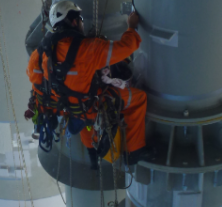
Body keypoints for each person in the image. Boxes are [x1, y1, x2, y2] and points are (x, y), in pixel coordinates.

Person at [27, 1, 148, 167]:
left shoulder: (43, 52)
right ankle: (134, 152)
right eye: (80, 19)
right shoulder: (89, 49)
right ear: (75, 21)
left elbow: (35, 78)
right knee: (138, 99)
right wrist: (131, 27)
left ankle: (92, 155)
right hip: (92, 106)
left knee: (85, 123)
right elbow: (127, 47)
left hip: (68, 107)